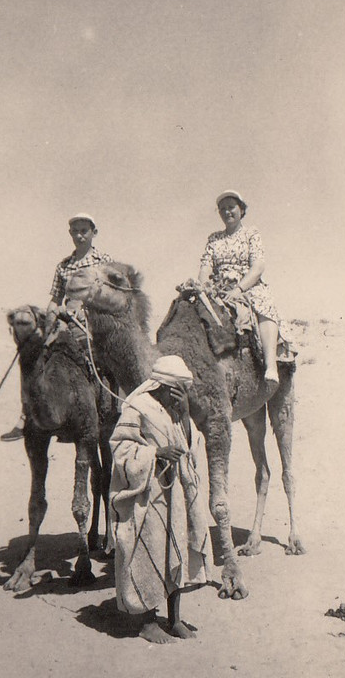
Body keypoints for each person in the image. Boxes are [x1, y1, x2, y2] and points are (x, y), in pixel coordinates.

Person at [109, 356, 210, 644]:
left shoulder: (175, 410)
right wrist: (156, 454)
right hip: (147, 494)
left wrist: (185, 410)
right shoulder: (136, 407)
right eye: (175, 390)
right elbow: (121, 447)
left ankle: (174, 618)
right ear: (160, 385)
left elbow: (189, 445)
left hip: (174, 493)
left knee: (174, 549)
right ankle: (148, 621)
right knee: (149, 550)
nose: (177, 396)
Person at [1, 211, 114, 441]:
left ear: (94, 233)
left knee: (110, 356)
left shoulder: (104, 261)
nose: (80, 236)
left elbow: (110, 294)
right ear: (70, 233)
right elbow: (55, 298)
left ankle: (118, 411)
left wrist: (85, 309)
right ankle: (26, 415)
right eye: (75, 231)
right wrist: (52, 318)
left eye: (84, 231)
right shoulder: (63, 266)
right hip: (67, 322)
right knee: (32, 356)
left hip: (95, 320)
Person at [197, 190, 282, 388]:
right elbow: (205, 266)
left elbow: (258, 267)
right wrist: (203, 286)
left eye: (231, 207)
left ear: (241, 210)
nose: (227, 212)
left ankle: (271, 365)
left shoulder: (251, 234)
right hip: (219, 287)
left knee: (265, 304)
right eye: (223, 209)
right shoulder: (214, 239)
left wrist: (239, 289)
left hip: (247, 285)